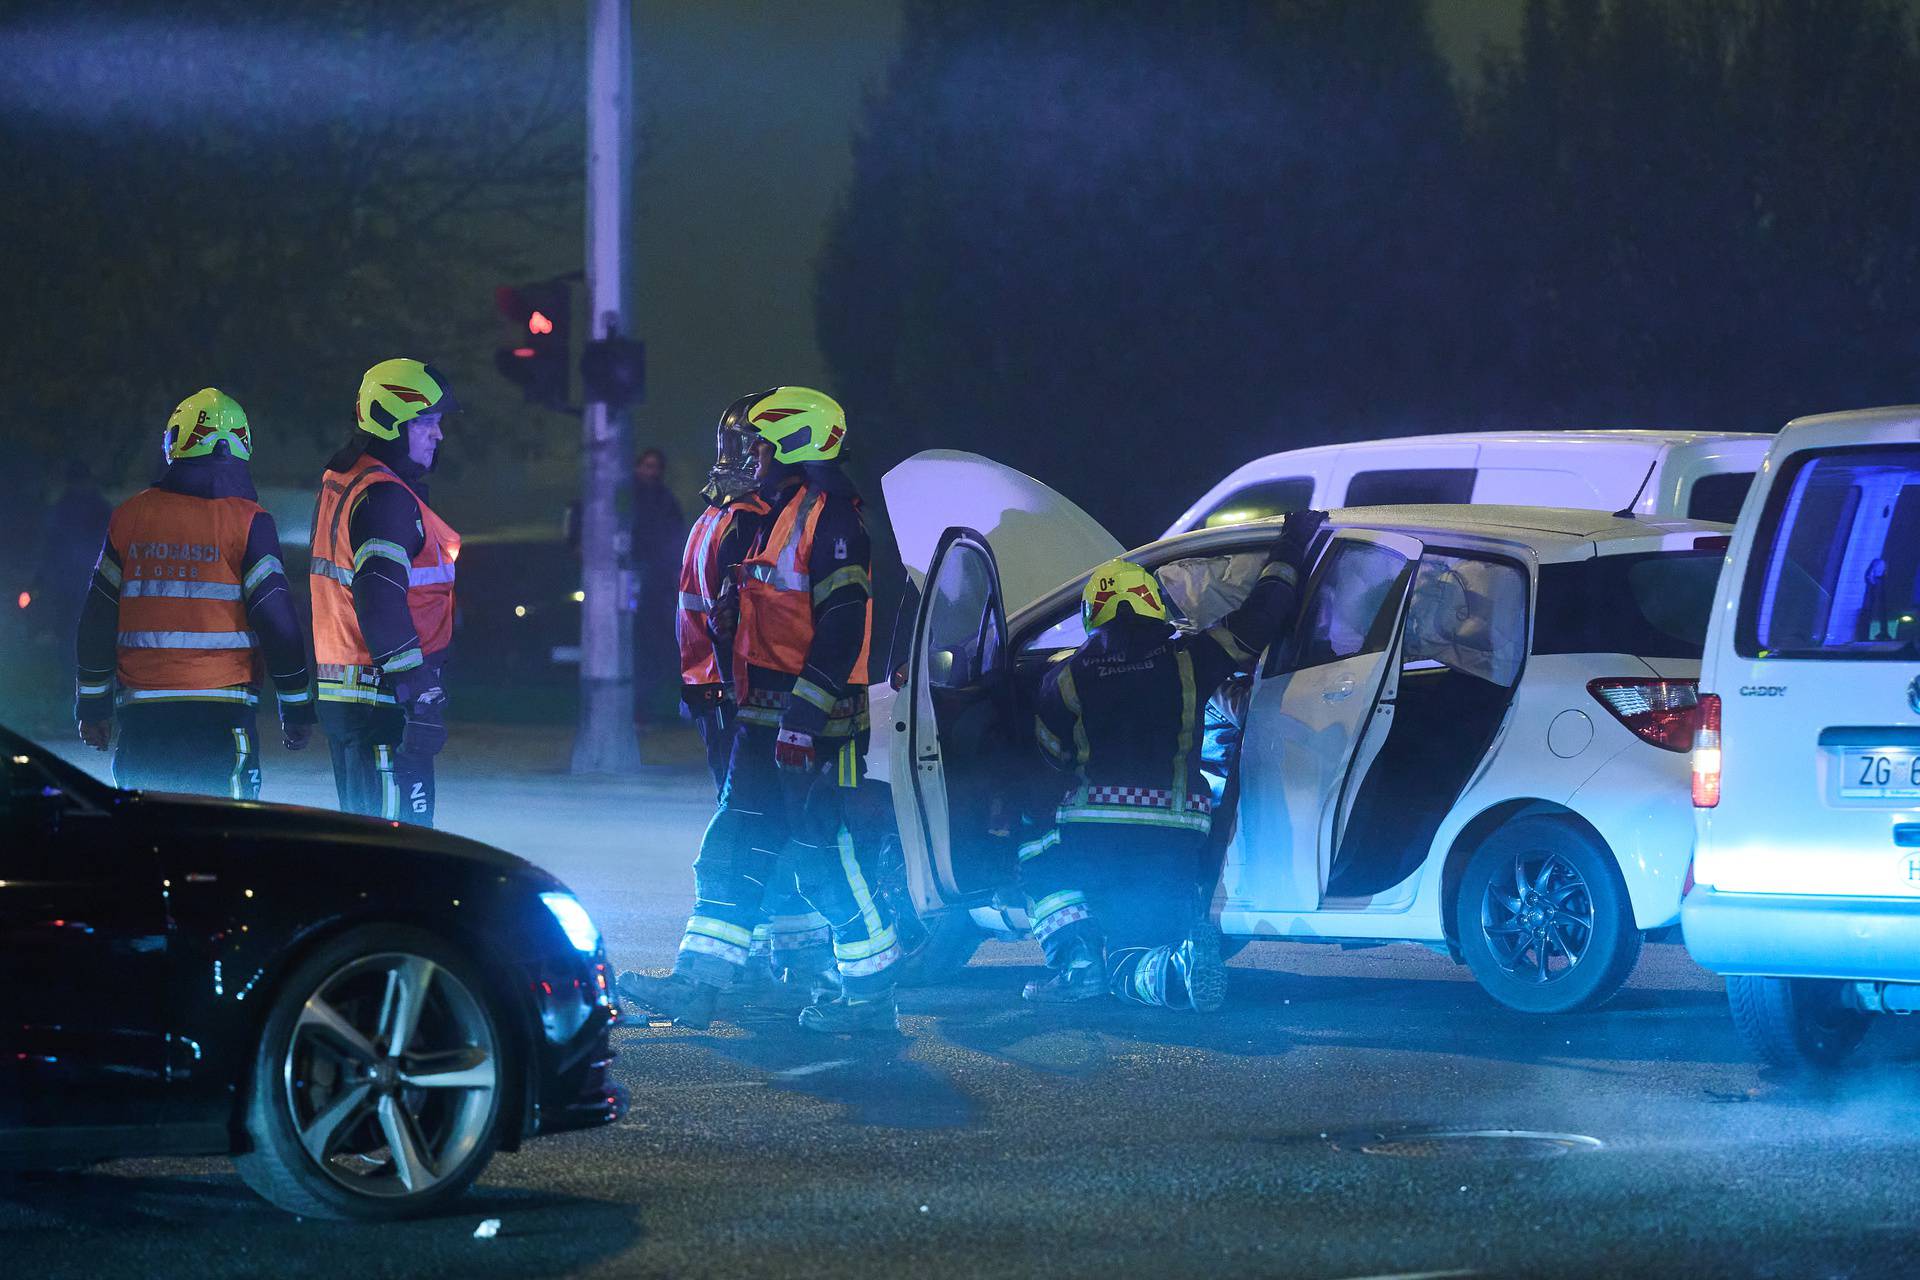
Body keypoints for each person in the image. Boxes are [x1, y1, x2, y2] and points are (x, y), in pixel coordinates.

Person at [620, 385, 903, 1034]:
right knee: (731, 847)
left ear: (795, 445)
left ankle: (871, 1002)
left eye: (761, 445)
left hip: (814, 731)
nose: (751, 458)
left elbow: (839, 630)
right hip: (762, 723)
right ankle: (698, 984)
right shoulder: (785, 510)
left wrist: (803, 721)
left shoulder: (835, 519)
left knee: (823, 861)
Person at [1020, 510, 1325, 1010]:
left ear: (1093, 613)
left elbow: (1048, 763)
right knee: (1142, 934)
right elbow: (1264, 615)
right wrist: (1293, 543)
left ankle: (1084, 962)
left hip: (1096, 836)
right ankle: (1170, 960)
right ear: (1153, 607)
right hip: (1177, 833)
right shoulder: (1191, 659)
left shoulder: (1063, 680)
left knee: (1032, 847)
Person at [73, 388, 314, 794]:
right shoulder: (249, 522)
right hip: (222, 713)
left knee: (147, 836)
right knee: (225, 837)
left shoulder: (130, 517)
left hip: (142, 714)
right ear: (238, 446)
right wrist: (296, 705)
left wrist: (93, 706)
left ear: (174, 446)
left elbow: (96, 619)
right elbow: (277, 622)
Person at [677, 397, 836, 995]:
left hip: (734, 695)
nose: (744, 453)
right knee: (760, 831)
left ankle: (770, 967)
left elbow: (738, 618)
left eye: (754, 442)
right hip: (714, 691)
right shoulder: (728, 511)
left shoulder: (752, 518)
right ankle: (786, 963)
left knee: (752, 831)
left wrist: (728, 694)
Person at [309, 358, 460, 827]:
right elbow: (379, 595)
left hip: (351, 693)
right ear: (392, 423)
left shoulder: (349, 481)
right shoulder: (385, 498)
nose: (437, 435)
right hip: (383, 699)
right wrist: (415, 690)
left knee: (367, 842)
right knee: (401, 846)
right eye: (426, 422)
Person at [631, 446, 688, 729]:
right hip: (634, 576)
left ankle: (645, 709)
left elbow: (676, 535)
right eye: (646, 465)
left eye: (655, 467)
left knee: (654, 647)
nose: (650, 472)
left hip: (658, 581)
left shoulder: (664, 500)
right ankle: (637, 709)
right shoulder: (626, 497)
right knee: (637, 646)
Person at [32, 460, 112, 645]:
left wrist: (42, 575)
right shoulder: (100, 507)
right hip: (90, 576)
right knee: (84, 624)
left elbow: (50, 544)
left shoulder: (62, 507)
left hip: (68, 577)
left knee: (68, 623)